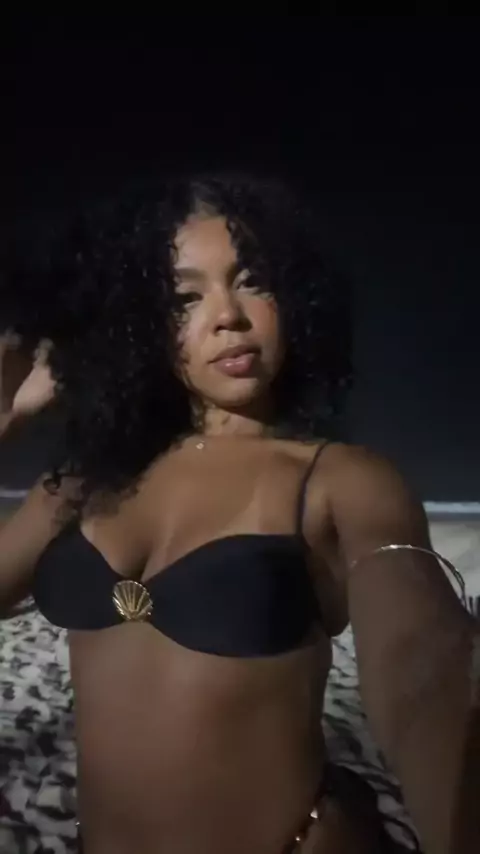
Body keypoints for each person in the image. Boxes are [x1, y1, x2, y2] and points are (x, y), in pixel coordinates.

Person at [0, 173, 477, 854]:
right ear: (138, 324)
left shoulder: (339, 479)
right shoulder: (85, 483)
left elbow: (419, 662)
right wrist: (6, 422)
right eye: (185, 298)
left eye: (253, 281)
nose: (228, 315)